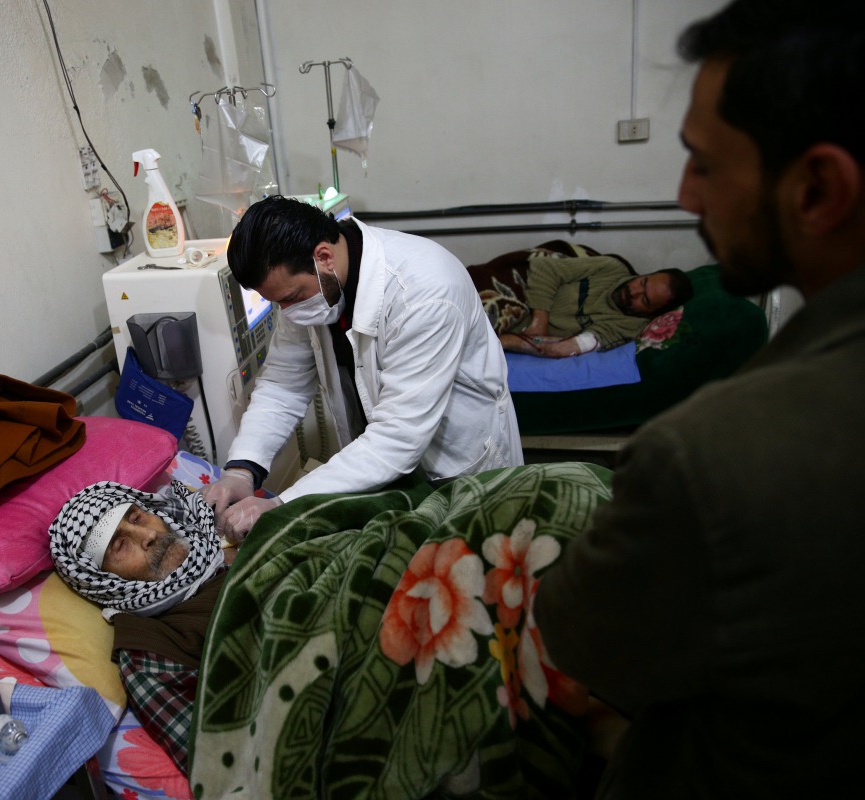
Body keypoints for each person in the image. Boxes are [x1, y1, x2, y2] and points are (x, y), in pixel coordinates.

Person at [533, 2, 865, 798]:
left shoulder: (714, 451)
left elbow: (583, 642)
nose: (685, 197)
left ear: (817, 188)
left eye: (705, 165)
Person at [203, 195, 523, 541]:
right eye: (277, 302)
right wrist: (242, 469)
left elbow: (398, 437)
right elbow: (283, 385)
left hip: (456, 465)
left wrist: (284, 503)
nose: (288, 312)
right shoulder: (309, 287)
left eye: (291, 298)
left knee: (473, 555)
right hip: (385, 467)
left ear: (324, 257)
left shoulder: (425, 292)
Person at [48, 479, 228, 774]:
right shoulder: (149, 650)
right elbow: (218, 763)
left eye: (137, 518)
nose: (149, 535)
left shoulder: (226, 540)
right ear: (103, 581)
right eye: (119, 545)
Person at [497, 256, 692, 358]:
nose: (634, 292)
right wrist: (540, 320)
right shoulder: (611, 268)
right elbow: (544, 267)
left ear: (652, 314)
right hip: (518, 294)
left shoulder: (628, 326)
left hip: (508, 330)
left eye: (645, 300)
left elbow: (565, 348)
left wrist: (503, 342)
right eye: (642, 282)